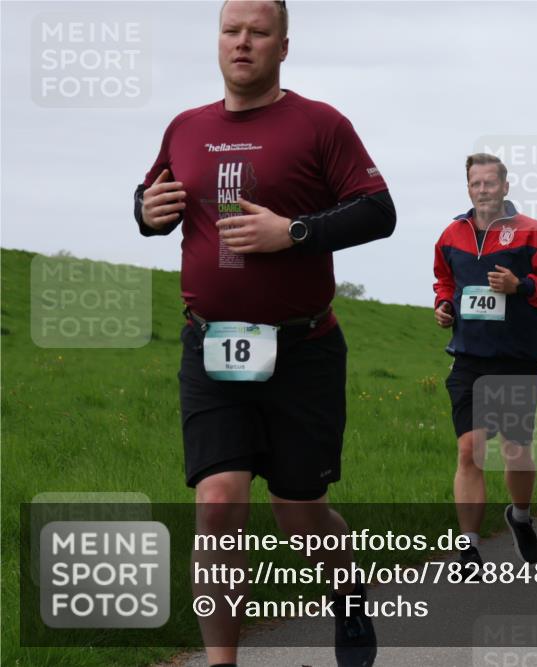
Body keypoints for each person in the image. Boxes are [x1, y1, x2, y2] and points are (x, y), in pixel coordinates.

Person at [135, 3, 394, 665]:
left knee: (299, 513)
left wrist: (295, 232)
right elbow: (153, 201)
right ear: (217, 41)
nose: (242, 42)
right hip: (210, 345)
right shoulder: (186, 128)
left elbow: (378, 210)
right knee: (218, 503)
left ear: (283, 44)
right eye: (231, 30)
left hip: (302, 349)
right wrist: (144, 212)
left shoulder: (320, 124)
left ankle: (345, 588)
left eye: (257, 31)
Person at [432, 153, 537, 573]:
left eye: (490, 183)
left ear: (506, 187)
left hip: (517, 359)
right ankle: (469, 549)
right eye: (476, 184)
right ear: (468, 187)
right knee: (469, 450)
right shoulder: (451, 234)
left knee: (516, 450)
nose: (482, 190)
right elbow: (445, 280)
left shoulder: (534, 233)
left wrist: (521, 285)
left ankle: (520, 515)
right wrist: (443, 305)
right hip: (468, 359)